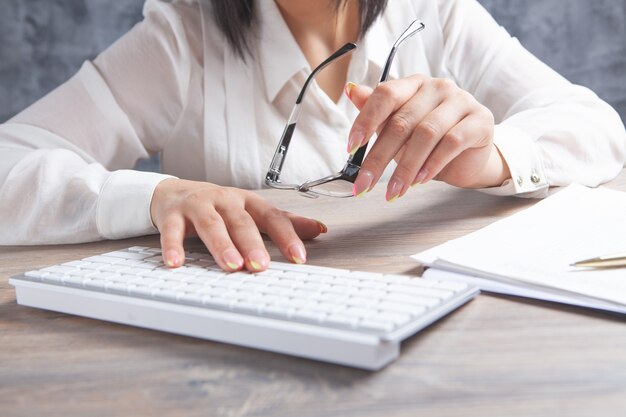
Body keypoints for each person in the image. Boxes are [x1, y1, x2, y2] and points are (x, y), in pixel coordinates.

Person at [0, 0, 624, 272]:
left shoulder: (438, 14)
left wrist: (491, 156)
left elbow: (598, 128)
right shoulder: (179, 41)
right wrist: (154, 196)